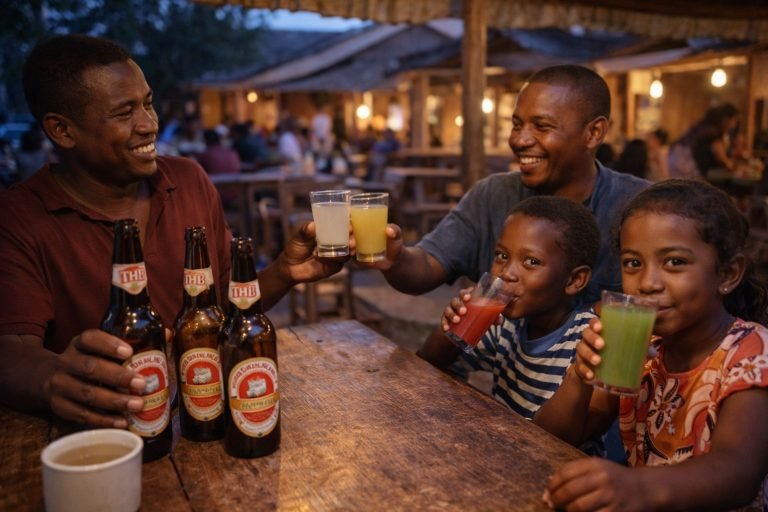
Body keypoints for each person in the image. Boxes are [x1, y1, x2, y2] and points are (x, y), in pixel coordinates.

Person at [0, 35, 346, 429]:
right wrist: (55, 377)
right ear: (62, 130)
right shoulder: (19, 216)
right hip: (113, 433)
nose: (149, 125)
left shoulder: (189, 180)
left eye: (147, 103)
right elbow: (10, 350)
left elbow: (229, 309)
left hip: (207, 418)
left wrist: (284, 271)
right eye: (123, 112)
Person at [534, 179, 768, 511]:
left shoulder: (750, 354)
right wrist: (579, 377)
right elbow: (556, 436)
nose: (647, 282)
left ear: (728, 274)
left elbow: (737, 472)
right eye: (633, 263)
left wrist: (634, 485)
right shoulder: (642, 347)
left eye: (674, 262)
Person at [369, 65, 649, 305]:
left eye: (542, 126)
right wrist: (395, 259)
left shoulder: (638, 207)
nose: (519, 140)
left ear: (593, 133)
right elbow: (428, 266)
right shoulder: (492, 196)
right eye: (516, 125)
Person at [418, 197, 600, 423]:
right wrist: (451, 330)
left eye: (531, 261)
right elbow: (428, 362)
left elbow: (560, 440)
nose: (507, 273)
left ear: (574, 279)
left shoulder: (587, 340)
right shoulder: (504, 323)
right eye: (502, 256)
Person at [668, 103, 740, 179]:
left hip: (675, 160)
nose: (734, 125)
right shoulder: (712, 133)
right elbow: (723, 159)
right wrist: (730, 164)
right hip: (684, 165)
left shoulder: (704, 127)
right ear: (725, 119)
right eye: (734, 120)